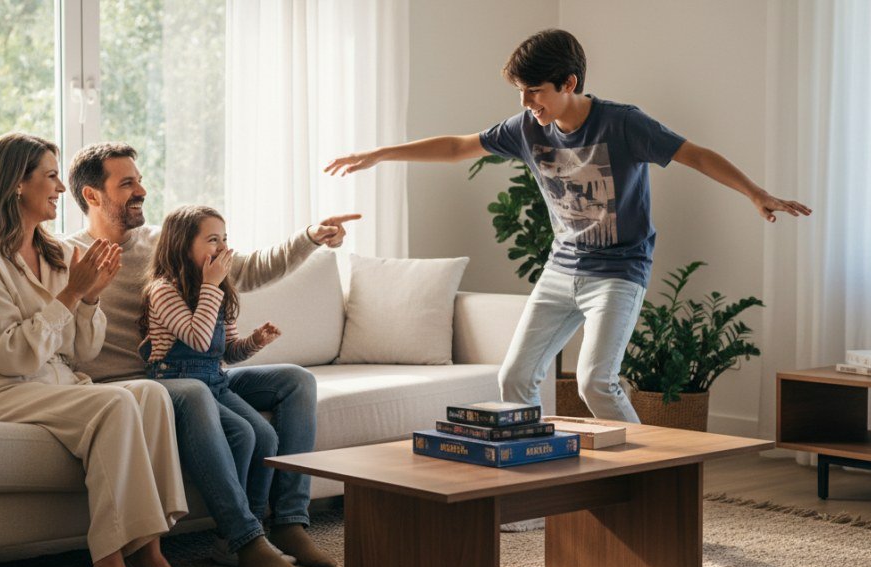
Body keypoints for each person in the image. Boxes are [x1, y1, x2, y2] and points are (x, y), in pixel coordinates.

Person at [325, 29, 811, 423]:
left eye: (534, 91)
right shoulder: (526, 130)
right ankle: (532, 483)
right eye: (520, 92)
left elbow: (694, 154)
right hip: (561, 270)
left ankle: (644, 486)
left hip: (619, 272)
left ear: (569, 83)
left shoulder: (622, 124)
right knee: (514, 377)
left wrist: (755, 192)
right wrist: (378, 154)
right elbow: (457, 147)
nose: (526, 103)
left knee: (595, 381)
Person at [64, 143, 354, 567]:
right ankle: (243, 537)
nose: (141, 189)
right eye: (127, 183)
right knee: (206, 397)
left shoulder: (167, 241)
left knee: (296, 381)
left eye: (139, 179)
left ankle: (290, 521)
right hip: (138, 382)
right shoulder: (66, 255)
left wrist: (309, 237)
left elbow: (249, 269)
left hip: (204, 373)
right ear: (91, 196)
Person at [0, 132, 200, 567]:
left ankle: (149, 551)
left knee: (149, 394)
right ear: (16, 184)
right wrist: (70, 296)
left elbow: (84, 350)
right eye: (49, 176)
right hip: (1, 390)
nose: (60, 189)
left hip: (59, 382)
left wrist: (89, 297)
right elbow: (10, 357)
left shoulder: (56, 253)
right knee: (115, 401)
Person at [141, 204, 314, 567]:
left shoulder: (220, 289)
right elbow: (198, 339)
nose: (222, 249)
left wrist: (255, 342)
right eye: (212, 240)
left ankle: (258, 532)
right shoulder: (163, 290)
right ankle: (238, 538)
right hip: (175, 380)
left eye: (225, 239)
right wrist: (209, 287)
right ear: (183, 245)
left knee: (267, 431)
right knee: (244, 433)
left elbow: (225, 352)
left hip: (214, 379)